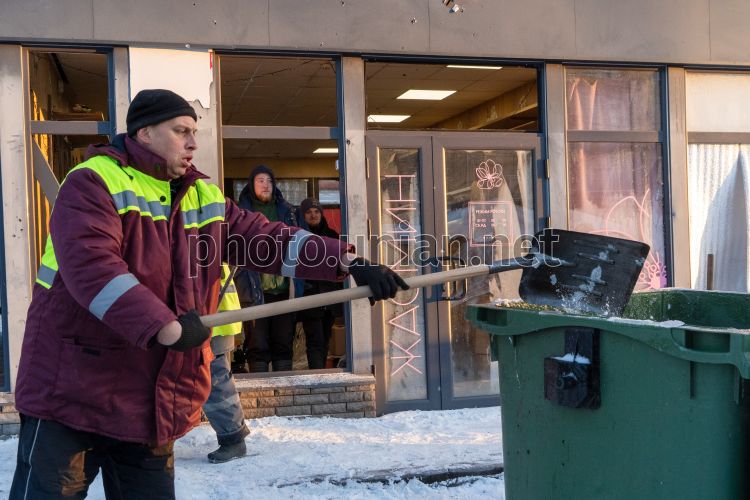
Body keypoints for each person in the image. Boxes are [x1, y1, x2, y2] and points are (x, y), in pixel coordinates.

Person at [10, 88, 407, 499]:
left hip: (147, 402)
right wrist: (165, 326)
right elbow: (93, 269)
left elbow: (267, 239)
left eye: (194, 132)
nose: (192, 143)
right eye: (180, 131)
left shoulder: (202, 196)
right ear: (144, 133)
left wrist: (346, 261)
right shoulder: (92, 182)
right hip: (73, 394)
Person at [234, 165, 298, 373]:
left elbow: (300, 245)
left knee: (283, 344)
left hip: (284, 289)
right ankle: (260, 388)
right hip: (254, 289)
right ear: (251, 185)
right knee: (257, 345)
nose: (266, 185)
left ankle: (285, 389)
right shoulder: (241, 214)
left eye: (270, 181)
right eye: (260, 180)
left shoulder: (288, 212)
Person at [203, 264, 250, 464]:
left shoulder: (203, 249)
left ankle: (234, 438)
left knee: (215, 380)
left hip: (213, 321)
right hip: (214, 319)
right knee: (214, 379)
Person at [298, 198, 343, 369]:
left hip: (329, 298)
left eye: (316, 211)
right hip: (309, 297)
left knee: (325, 340)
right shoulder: (299, 236)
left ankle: (321, 373)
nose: (313, 215)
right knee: (315, 340)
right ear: (303, 215)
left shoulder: (332, 236)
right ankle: (317, 375)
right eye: (309, 212)